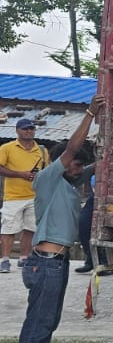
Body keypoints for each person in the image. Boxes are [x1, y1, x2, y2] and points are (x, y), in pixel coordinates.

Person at [14, 99, 103, 343]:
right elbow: (72, 151)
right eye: (74, 166)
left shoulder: (69, 184)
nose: (78, 170)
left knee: (47, 320)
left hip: (57, 262)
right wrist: (90, 113)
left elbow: (91, 166)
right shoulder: (47, 178)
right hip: (46, 262)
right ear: (60, 164)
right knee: (40, 319)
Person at [1, 116, 50, 272]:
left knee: (30, 229)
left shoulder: (42, 150)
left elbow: (47, 171)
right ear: (17, 131)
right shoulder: (7, 148)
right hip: (13, 196)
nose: (29, 131)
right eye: (25, 128)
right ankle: (5, 260)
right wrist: (20, 174)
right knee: (9, 230)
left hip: (35, 196)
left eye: (32, 128)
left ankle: (24, 258)